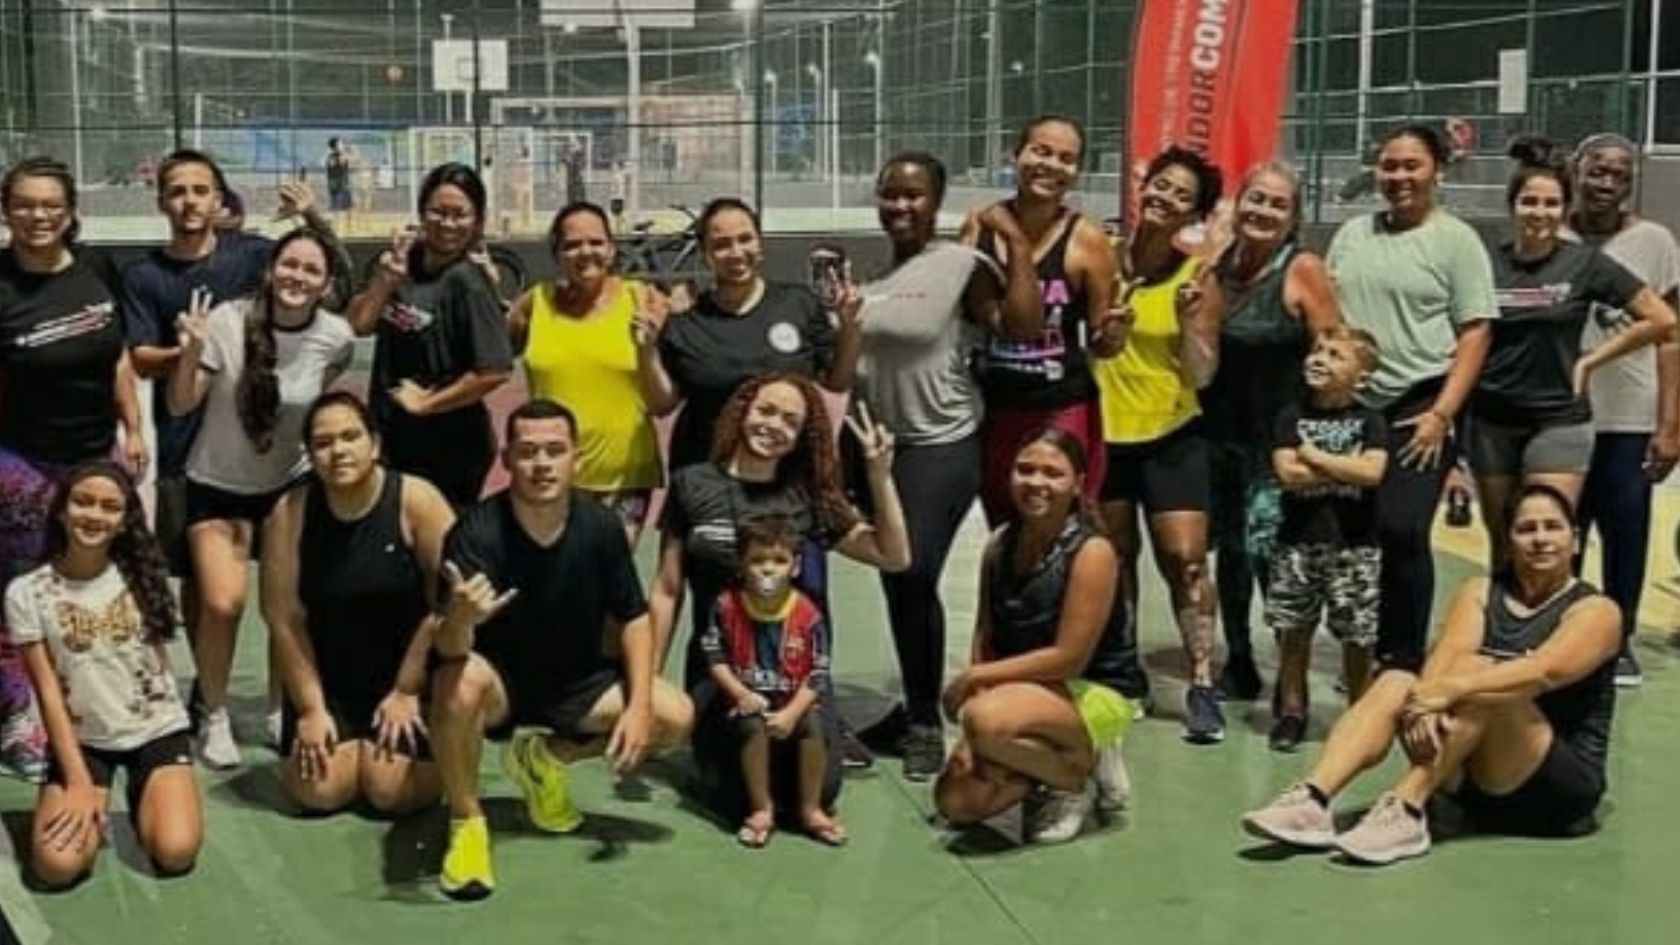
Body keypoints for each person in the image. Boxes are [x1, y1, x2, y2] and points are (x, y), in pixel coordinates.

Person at [1243, 484, 1621, 866]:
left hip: (1553, 793)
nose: (1540, 539)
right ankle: (1312, 800)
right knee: (1397, 679)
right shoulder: (1480, 591)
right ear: (1507, 541)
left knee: (1481, 676)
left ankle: (1407, 807)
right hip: (1470, 781)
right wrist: (1425, 703)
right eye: (1526, 529)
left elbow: (1544, 671)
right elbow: (1447, 656)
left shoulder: (1596, 610)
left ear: (1575, 540)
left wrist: (1447, 692)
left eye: (1552, 527)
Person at [430, 399, 694, 901]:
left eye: (555, 450)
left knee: (674, 716)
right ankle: (467, 822)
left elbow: (634, 618)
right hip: (500, 685)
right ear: (506, 460)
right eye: (527, 451)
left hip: (578, 682)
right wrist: (461, 618)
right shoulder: (474, 532)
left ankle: (544, 757)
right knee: (454, 683)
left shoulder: (601, 528)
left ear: (577, 458)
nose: (542, 464)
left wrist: (638, 707)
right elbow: (446, 646)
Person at [849, 151, 1033, 780]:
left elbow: (1019, 325)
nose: (900, 205)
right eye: (890, 194)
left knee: (912, 569)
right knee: (893, 576)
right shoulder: (871, 278)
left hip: (941, 445)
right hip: (877, 449)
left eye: (914, 194)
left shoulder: (961, 265)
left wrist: (1015, 243)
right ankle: (912, 707)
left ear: (936, 200)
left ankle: (926, 721)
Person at [648, 374, 909, 813]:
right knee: (736, 798)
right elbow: (667, 590)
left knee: (818, 793)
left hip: (792, 671)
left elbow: (894, 556)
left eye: (790, 421)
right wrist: (649, 684)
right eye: (765, 411)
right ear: (742, 411)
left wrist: (880, 476)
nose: (773, 425)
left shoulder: (808, 496)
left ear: (802, 436)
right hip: (723, 670)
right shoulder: (692, 484)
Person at [164, 229, 355, 768]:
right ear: (271, 270)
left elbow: (317, 402)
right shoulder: (226, 321)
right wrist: (191, 351)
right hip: (216, 483)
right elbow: (180, 404)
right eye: (289, 264)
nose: (298, 277)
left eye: (311, 270)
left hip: (288, 486)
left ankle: (279, 708)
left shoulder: (335, 337)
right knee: (222, 604)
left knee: (284, 608)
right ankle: (214, 713)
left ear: (326, 284)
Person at [1327, 123, 1498, 674]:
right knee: (1354, 534)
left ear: (1437, 172)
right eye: (1389, 166)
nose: (1399, 176)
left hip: (1419, 404)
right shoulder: (1352, 234)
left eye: (1411, 166)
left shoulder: (1456, 241)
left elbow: (1476, 331)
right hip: (1354, 406)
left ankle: (1401, 657)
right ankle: (1359, 651)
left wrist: (1441, 414)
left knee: (1402, 528)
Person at [1, 157, 144, 782]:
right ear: (7, 211)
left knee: (99, 584)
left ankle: (97, 702)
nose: (39, 215)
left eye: (51, 205)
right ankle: (18, 718)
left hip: (95, 457)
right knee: (20, 592)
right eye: (25, 204)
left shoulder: (97, 269)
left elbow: (117, 358)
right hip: (21, 463)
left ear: (70, 212)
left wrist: (133, 428)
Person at [1473, 138, 1677, 575]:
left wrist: (1592, 359)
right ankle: (1504, 617)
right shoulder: (1489, 260)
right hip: (1495, 420)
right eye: (1529, 202)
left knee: (1563, 538)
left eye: (1551, 203)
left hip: (1573, 419)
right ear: (1512, 206)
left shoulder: (1594, 260)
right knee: (1508, 541)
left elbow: (1663, 322)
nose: (1539, 212)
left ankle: (1589, 619)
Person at [933, 428, 1134, 845]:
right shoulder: (999, 542)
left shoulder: (1093, 551)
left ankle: (1075, 778)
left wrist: (975, 681)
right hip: (1022, 689)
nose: (1036, 482)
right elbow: (985, 632)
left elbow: (1069, 658)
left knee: (986, 723)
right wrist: (980, 688)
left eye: (1052, 473)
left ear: (1078, 484)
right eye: (1025, 469)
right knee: (957, 801)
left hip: (1091, 687)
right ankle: (1044, 763)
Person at [8, 462, 198, 887]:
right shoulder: (27, 593)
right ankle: (89, 790)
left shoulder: (142, 574)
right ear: (62, 510)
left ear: (124, 520)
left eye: (110, 507)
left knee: (176, 851)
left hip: (155, 730)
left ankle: (146, 791)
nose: (95, 515)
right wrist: (76, 780)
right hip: (83, 740)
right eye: (83, 502)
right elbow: (49, 693)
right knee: (57, 867)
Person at [261, 392, 451, 815]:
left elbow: (448, 604)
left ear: (375, 444)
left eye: (350, 437)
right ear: (310, 455)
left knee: (390, 792)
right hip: (328, 674)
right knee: (320, 791)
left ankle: (444, 751)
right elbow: (283, 617)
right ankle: (349, 742)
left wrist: (408, 689)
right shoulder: (289, 513)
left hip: (406, 672)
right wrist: (311, 709)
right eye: (323, 443)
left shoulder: (417, 500)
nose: (338, 451)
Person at [1097, 146, 1227, 742]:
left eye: (1182, 195)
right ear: (1142, 186)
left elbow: (1203, 373)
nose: (1165, 198)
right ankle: (1124, 672)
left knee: (1186, 559)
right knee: (1115, 559)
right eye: (1161, 184)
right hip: (1104, 436)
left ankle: (1202, 681)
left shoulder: (1196, 278)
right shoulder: (1099, 259)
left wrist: (1190, 322)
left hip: (1171, 436)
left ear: (1192, 214)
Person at [1203, 162, 1343, 702]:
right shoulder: (1218, 266)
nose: (1263, 211)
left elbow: (1333, 356)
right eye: (1256, 198)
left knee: (1273, 557)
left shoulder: (1302, 269)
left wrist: (1321, 444)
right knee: (1232, 555)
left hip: (1279, 445)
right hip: (1221, 437)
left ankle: (1291, 679)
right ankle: (1239, 661)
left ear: (1293, 218)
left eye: (1277, 204)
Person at [962, 114, 1122, 527]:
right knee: (1006, 526)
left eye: (1066, 159)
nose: (1052, 165)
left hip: (1061, 404)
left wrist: (1114, 333)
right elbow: (994, 319)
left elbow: (1105, 344)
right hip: (996, 407)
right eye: (1041, 151)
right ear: (1015, 156)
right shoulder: (980, 226)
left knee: (1062, 523)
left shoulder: (1087, 239)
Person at [636, 197, 862, 474]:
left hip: (786, 473)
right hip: (707, 472)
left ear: (760, 243)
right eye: (722, 244)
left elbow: (837, 381)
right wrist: (646, 349)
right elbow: (662, 405)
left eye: (745, 239)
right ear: (705, 254)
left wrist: (850, 328)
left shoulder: (799, 304)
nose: (736, 252)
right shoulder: (686, 323)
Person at [1569, 132, 1680, 687]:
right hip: (1562, 415)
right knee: (1559, 529)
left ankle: (1617, 639)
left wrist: (1670, 425)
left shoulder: (1655, 242)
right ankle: (1558, 632)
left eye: (1619, 174)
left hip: (1630, 418)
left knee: (1626, 533)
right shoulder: (1551, 232)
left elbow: (1671, 339)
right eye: (1597, 170)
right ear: (1576, 171)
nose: (1606, 183)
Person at [346, 163, 513, 507]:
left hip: (448, 448)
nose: (447, 224)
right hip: (392, 437)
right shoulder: (404, 262)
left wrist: (427, 404)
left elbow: (495, 370)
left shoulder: (468, 283)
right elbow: (358, 325)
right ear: (422, 213)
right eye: (438, 212)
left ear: (478, 221)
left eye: (460, 214)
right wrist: (384, 282)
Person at [508, 202, 661, 542]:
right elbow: (489, 353)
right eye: (572, 245)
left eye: (596, 242)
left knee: (608, 569)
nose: (585, 252)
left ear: (612, 248)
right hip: (548, 474)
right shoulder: (535, 303)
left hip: (624, 477)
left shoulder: (641, 298)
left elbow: (670, 378)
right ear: (556, 254)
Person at [1266, 327, 1388, 751]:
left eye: (1336, 355)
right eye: (1317, 350)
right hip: (1297, 543)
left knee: (1358, 636)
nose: (1320, 359)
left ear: (1362, 377)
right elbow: (1289, 474)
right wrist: (1345, 466)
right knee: (1293, 630)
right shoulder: (1290, 417)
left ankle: (1359, 713)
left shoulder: (1371, 421)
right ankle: (1292, 711)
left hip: (1356, 546)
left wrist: (1315, 456)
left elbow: (1372, 473)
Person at [700, 514, 843, 848]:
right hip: (747, 705)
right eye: (757, 560)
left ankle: (810, 809)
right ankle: (761, 808)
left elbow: (818, 673)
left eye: (779, 560)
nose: (768, 570)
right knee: (751, 725)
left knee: (813, 724)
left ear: (795, 567)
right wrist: (740, 694)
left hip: (793, 705)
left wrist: (792, 714)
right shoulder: (724, 606)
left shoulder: (809, 614)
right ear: (740, 565)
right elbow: (715, 660)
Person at [324, 138, 354, 227]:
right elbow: (344, 161)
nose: (342, 145)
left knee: (340, 207)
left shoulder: (330, 156)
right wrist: (348, 151)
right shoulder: (337, 156)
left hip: (335, 184)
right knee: (339, 208)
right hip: (340, 184)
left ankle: (344, 226)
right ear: (336, 146)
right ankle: (338, 226)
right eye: (340, 143)